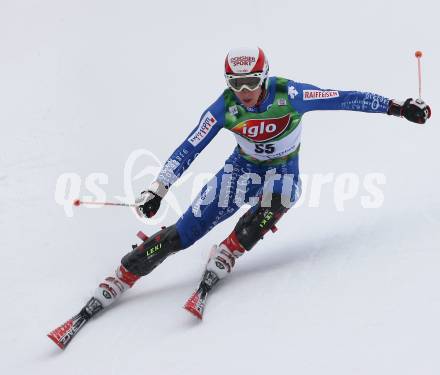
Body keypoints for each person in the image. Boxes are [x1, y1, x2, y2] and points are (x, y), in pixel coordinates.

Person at [48, 47, 431, 348]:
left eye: (250, 83)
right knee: (184, 234)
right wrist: (158, 188)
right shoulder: (225, 107)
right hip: (239, 172)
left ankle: (231, 247)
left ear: (263, 77)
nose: (244, 93)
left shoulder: (291, 94)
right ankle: (125, 272)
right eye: (236, 84)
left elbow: (344, 98)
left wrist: (397, 107)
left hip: (282, 171)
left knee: (284, 195)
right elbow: (190, 146)